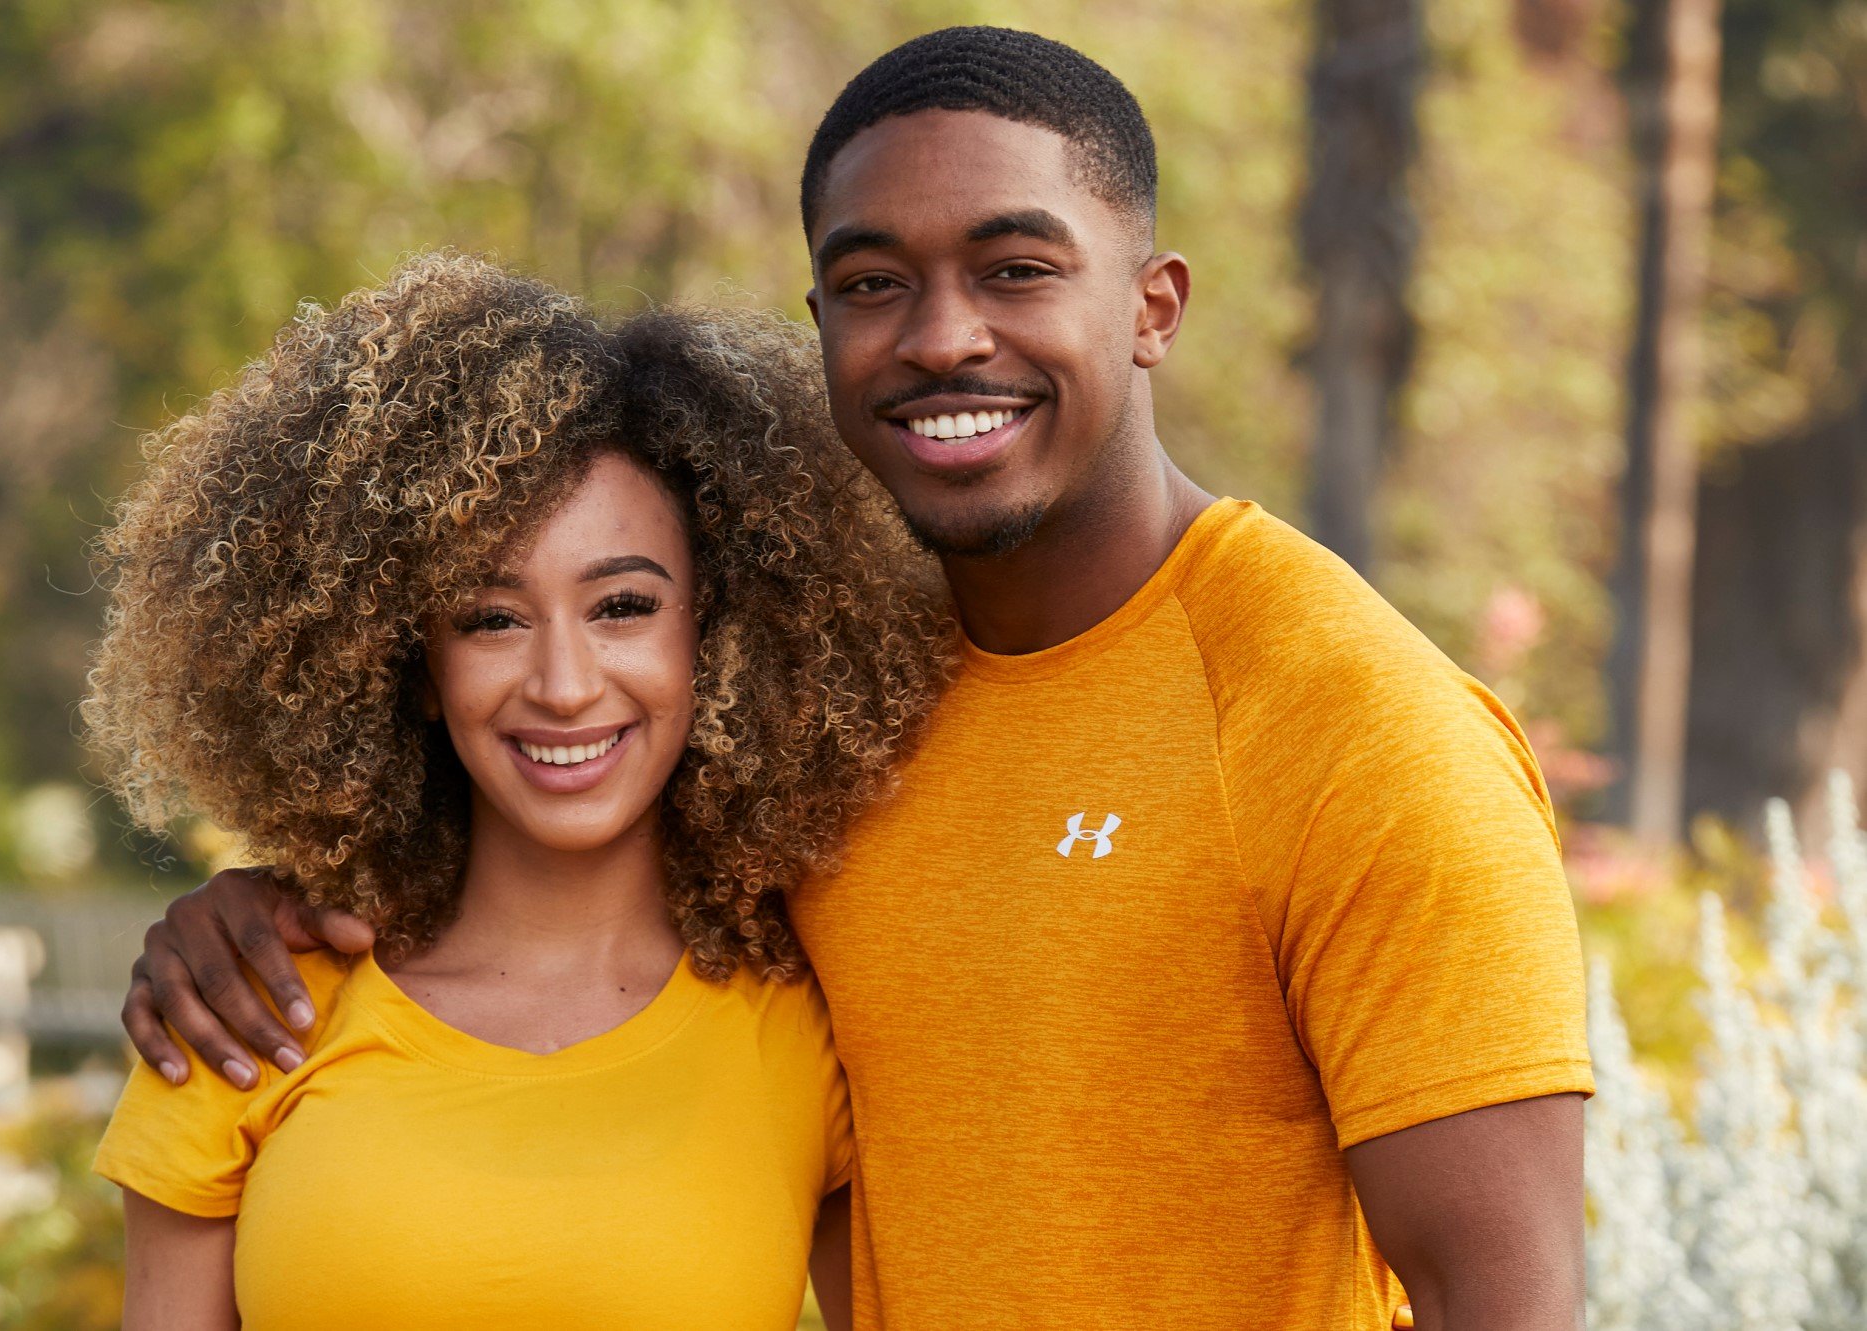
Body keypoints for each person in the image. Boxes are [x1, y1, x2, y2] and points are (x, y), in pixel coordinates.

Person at [120, 28, 1593, 1330]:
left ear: (1153, 305)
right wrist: (249, 908)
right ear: (822, 328)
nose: (945, 335)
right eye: (875, 282)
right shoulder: (842, 717)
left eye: (1018, 269)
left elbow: (1503, 1296)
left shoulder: (1356, 723)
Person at [83, 252, 952, 1329]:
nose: (564, 683)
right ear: (403, 660)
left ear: (715, 630)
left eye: (622, 604)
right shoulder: (251, 1007)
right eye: (491, 617)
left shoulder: (806, 1024)